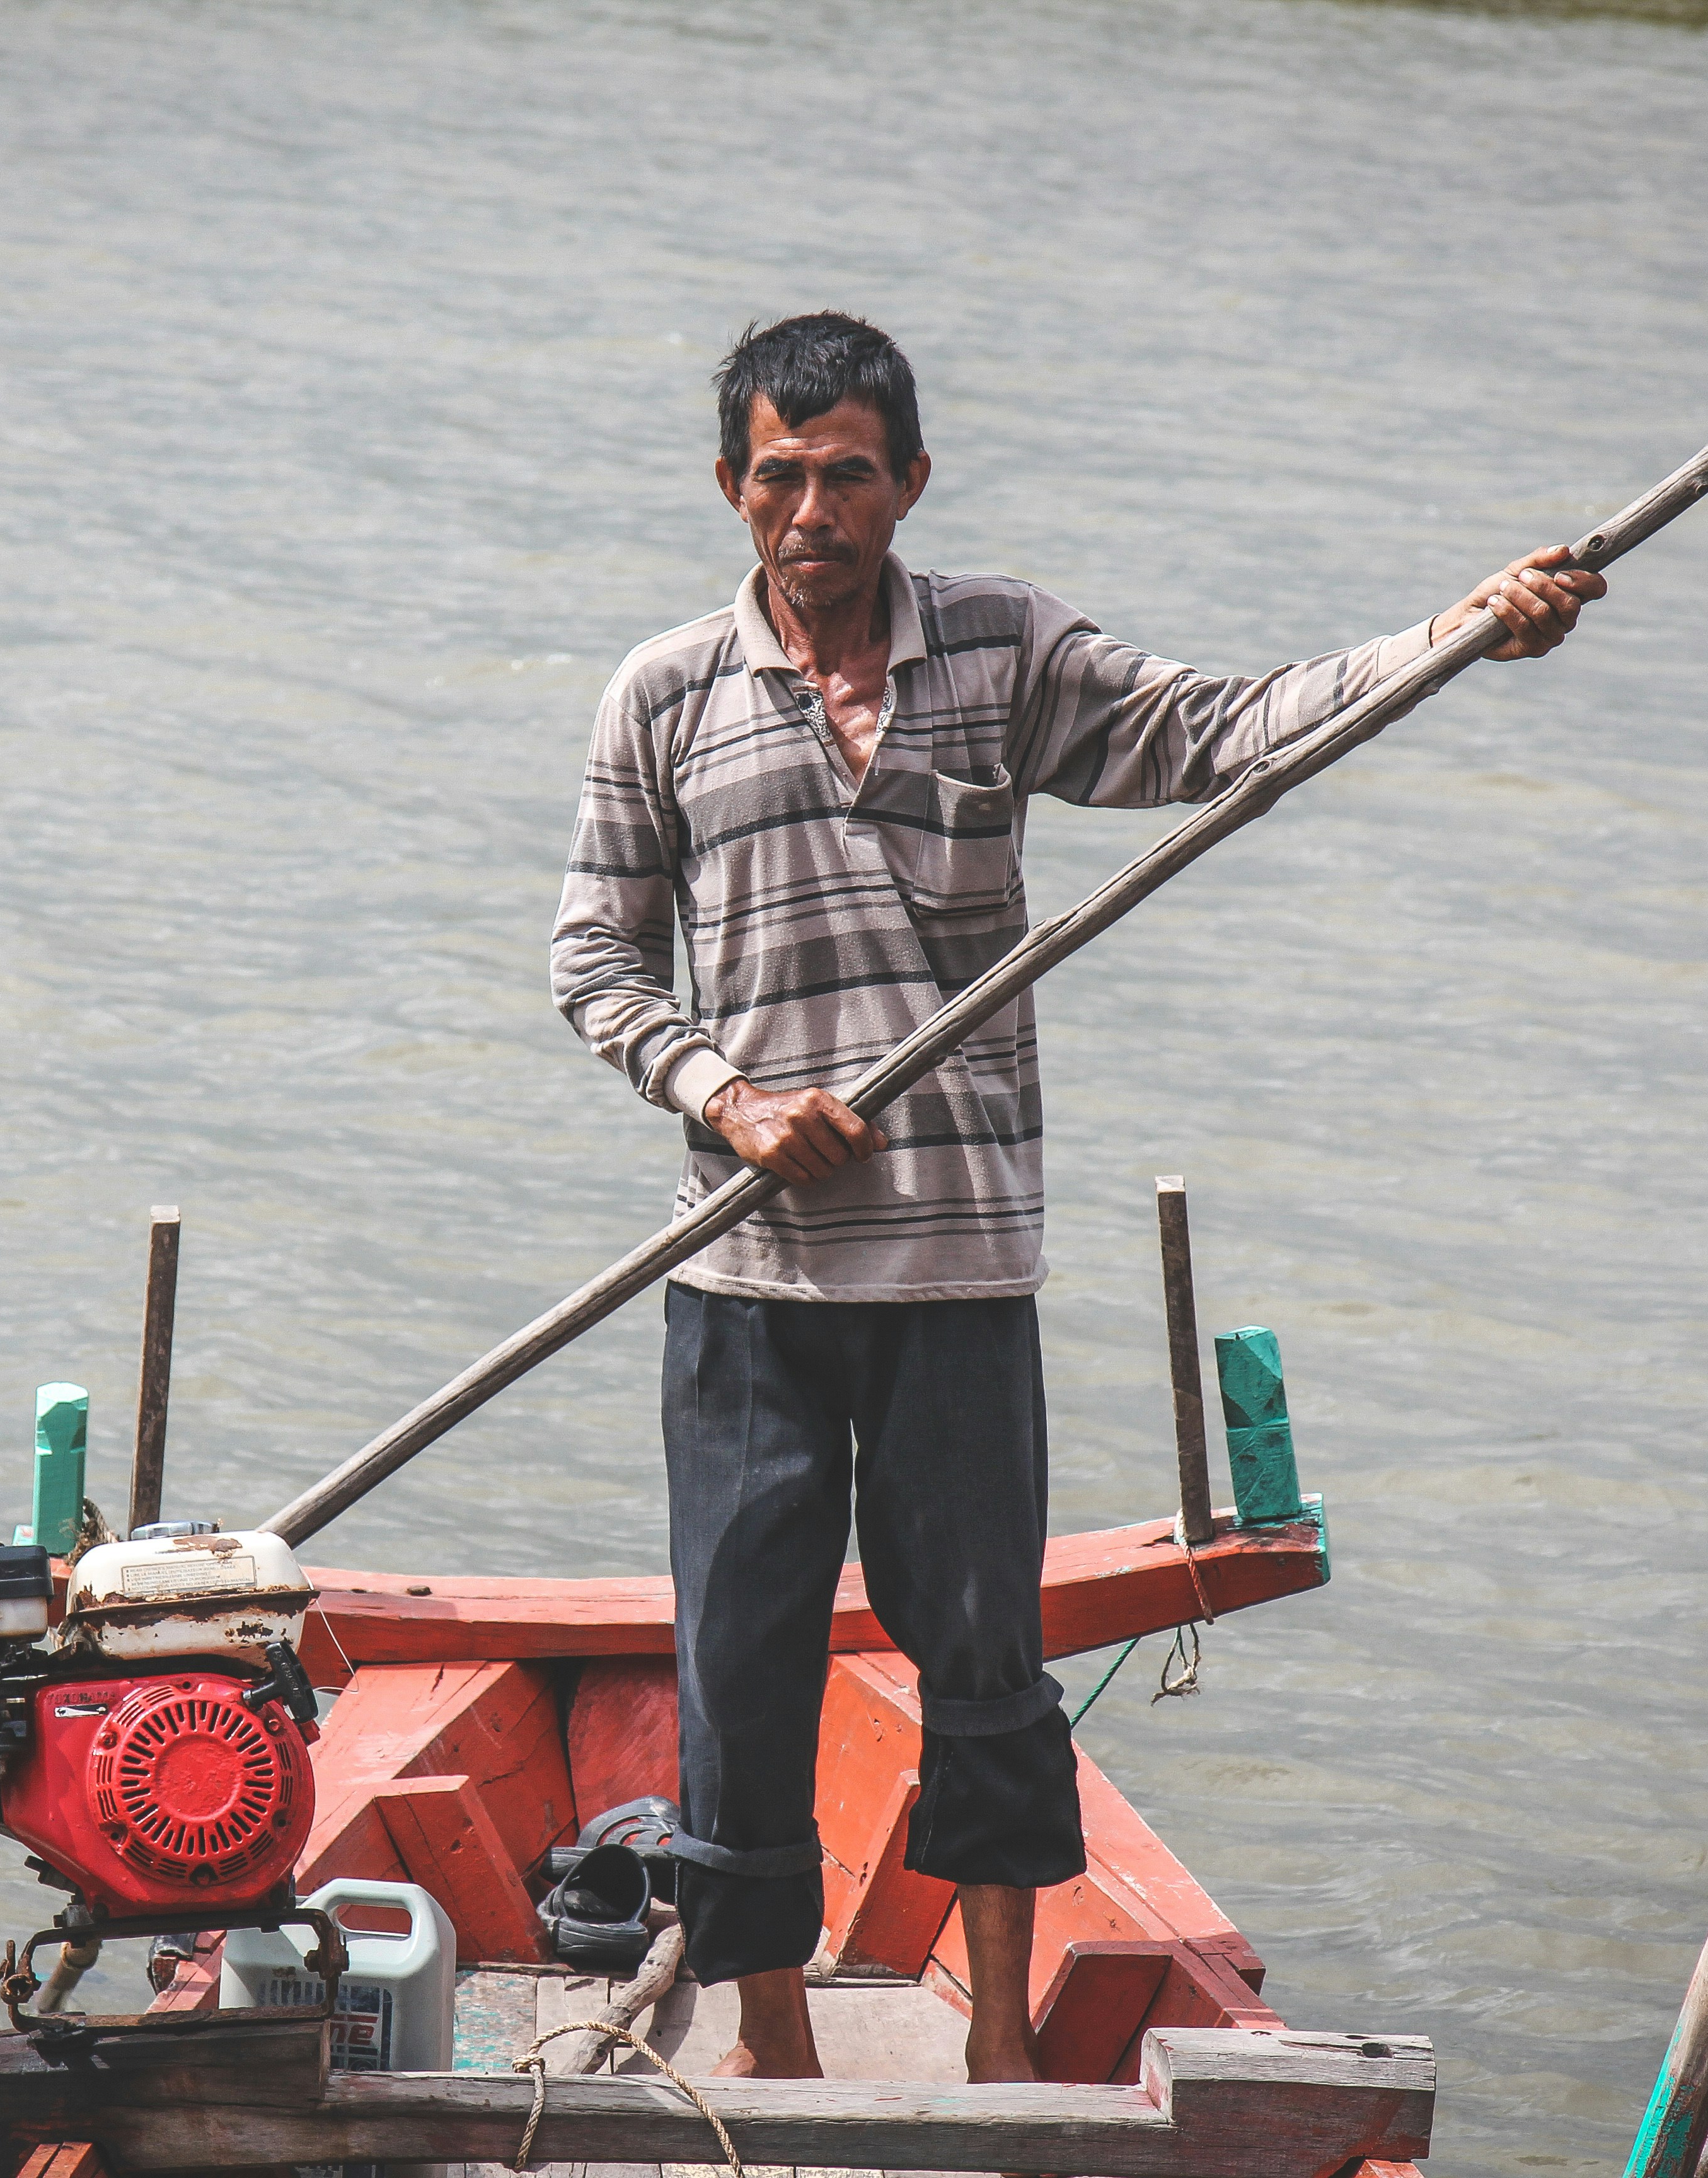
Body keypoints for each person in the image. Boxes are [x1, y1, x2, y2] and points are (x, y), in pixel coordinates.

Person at [550, 312, 1601, 2081]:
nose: (813, 511)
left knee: (985, 1661)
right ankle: (773, 2039)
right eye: (780, 477)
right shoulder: (663, 693)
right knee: (743, 1662)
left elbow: (1224, 732)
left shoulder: (1002, 649)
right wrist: (727, 1098)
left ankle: (1002, 2047)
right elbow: (595, 957)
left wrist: (1457, 636)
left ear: (910, 482)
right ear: (730, 485)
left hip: (960, 1273)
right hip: (752, 1286)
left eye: (848, 475)